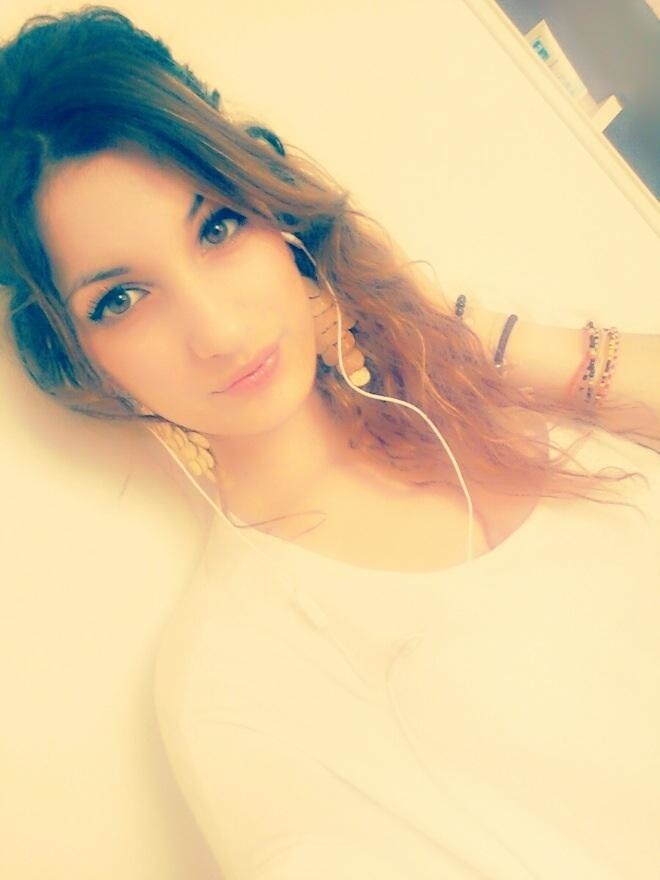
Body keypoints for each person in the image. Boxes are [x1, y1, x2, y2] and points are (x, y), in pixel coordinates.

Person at [1, 6, 659, 879]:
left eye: (216, 226)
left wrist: (453, 330)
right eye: (120, 300)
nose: (219, 330)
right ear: (80, 359)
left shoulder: (475, 395)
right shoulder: (241, 679)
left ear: (272, 211)